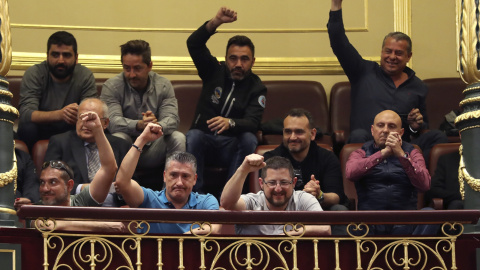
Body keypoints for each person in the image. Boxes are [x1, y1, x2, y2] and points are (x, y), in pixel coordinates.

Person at [327, 0, 447, 162]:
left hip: (402, 149)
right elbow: (339, 42)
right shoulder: (362, 71)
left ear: (408, 57)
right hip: (368, 149)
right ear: (381, 52)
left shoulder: (418, 86)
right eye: (388, 51)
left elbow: (418, 129)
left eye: (398, 53)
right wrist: (336, 6)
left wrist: (413, 126)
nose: (392, 57)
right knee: (358, 135)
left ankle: (415, 175)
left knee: (437, 137)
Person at [186, 7, 267, 194]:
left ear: (253, 61)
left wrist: (230, 123)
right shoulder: (212, 70)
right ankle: (194, 196)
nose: (238, 64)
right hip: (204, 142)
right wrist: (215, 22)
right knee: (192, 136)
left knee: (249, 138)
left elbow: (253, 122)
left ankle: (230, 196)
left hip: (231, 146)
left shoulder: (257, 87)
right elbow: (193, 44)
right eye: (233, 58)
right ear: (226, 59)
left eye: (244, 59)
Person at [15, 111, 124, 232]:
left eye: (53, 182)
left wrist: (98, 129)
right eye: (42, 182)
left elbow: (109, 169)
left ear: (69, 185)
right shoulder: (37, 208)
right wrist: (102, 226)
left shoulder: (81, 201)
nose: (45, 188)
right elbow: (48, 226)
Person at [100, 40, 185, 177]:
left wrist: (155, 126)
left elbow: (173, 120)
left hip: (154, 148)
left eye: (137, 68)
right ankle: (120, 193)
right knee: (118, 137)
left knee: (178, 137)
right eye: (127, 68)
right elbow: (113, 122)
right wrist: (139, 125)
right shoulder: (111, 86)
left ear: (150, 66)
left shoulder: (163, 85)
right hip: (126, 148)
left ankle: (170, 195)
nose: (131, 74)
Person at [115, 123, 219, 234]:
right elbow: (122, 183)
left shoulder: (206, 201)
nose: (179, 182)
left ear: (195, 179)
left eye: (185, 176)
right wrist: (142, 139)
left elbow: (215, 228)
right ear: (164, 176)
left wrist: (177, 242)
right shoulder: (149, 199)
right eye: (173, 175)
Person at [345, 110, 432, 235]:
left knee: (429, 213)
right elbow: (350, 173)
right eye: (380, 125)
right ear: (372, 130)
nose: (385, 130)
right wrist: (383, 153)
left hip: (405, 223)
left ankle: (412, 253)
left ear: (401, 132)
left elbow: (425, 184)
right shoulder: (360, 152)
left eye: (391, 126)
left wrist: (401, 155)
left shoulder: (413, 152)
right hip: (369, 224)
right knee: (348, 221)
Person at [43, 98, 131, 206]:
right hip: (77, 207)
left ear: (105, 123)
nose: (85, 124)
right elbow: (51, 182)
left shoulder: (121, 145)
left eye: (92, 119)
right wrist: (84, 188)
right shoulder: (60, 142)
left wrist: (122, 190)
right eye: (82, 118)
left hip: (114, 208)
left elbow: (133, 183)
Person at [18, 31, 97, 151]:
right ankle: (30, 168)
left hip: (71, 128)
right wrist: (60, 114)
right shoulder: (34, 73)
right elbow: (26, 114)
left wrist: (79, 114)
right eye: (55, 55)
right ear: (47, 56)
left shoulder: (85, 75)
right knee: (27, 127)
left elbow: (91, 112)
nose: (60, 60)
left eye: (66, 55)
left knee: (97, 128)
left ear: (76, 57)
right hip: (41, 130)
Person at [221, 154, 331, 236]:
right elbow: (226, 204)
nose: (278, 189)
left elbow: (325, 229)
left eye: (284, 182)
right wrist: (243, 170)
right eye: (272, 183)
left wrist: (284, 237)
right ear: (261, 183)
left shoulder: (303, 199)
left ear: (293, 183)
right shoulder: (253, 201)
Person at [263, 109, 348, 212]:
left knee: (339, 209)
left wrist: (319, 194)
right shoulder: (270, 158)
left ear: (312, 134)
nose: (293, 137)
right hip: (282, 213)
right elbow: (266, 194)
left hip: (318, 214)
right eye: (288, 132)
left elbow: (336, 196)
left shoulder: (328, 158)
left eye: (299, 132)